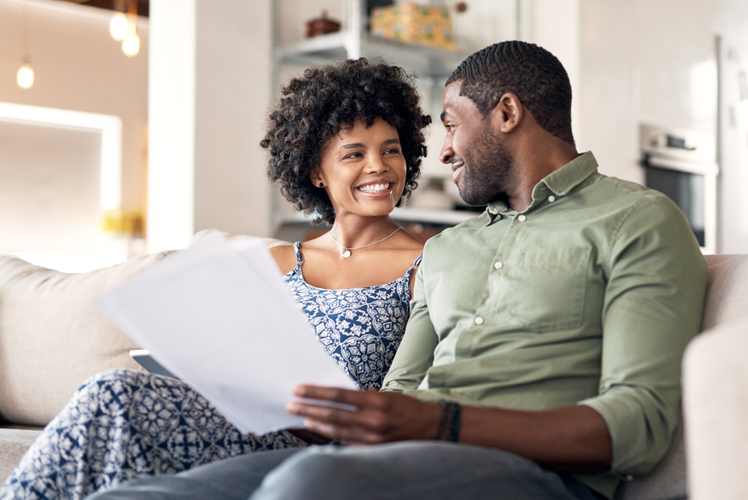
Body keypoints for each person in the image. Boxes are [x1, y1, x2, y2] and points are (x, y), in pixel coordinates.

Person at [85, 40, 708, 500]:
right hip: (400, 461)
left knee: (309, 485)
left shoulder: (637, 220)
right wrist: (313, 407)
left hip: (540, 478)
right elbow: (398, 399)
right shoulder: (449, 249)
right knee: (142, 495)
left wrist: (438, 422)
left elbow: (640, 424)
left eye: (450, 125)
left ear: (507, 114)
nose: (440, 151)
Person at [0, 58, 431, 500]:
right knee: (113, 411)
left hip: (322, 449)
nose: (378, 166)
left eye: (391, 149)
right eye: (354, 153)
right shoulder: (275, 261)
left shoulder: (425, 263)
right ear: (315, 171)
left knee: (114, 393)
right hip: (241, 426)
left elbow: (412, 394)